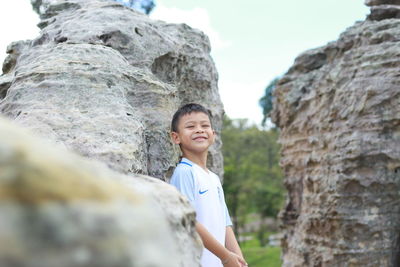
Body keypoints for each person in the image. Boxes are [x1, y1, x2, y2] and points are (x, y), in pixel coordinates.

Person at [169, 103, 248, 267]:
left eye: (205, 125)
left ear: (213, 134)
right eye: (190, 126)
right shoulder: (184, 172)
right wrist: (225, 256)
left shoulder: (213, 178)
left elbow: (225, 224)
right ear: (176, 137)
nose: (199, 129)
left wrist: (239, 259)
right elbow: (189, 222)